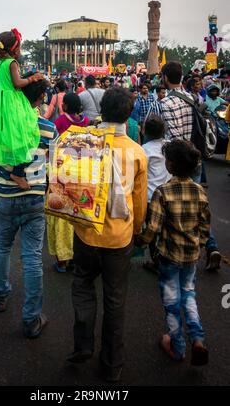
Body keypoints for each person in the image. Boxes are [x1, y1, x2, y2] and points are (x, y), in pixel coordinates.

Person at [67, 87, 148, 383]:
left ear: (102, 109)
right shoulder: (137, 153)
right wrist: (138, 230)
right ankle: (112, 364)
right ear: (129, 114)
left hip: (86, 232)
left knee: (83, 286)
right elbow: (138, 204)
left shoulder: (82, 142)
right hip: (119, 237)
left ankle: (82, 347)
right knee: (115, 300)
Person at [0, 73, 58, 339]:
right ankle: (31, 318)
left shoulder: (4, 124)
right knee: (31, 258)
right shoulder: (49, 128)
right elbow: (54, 164)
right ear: (41, 98)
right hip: (35, 198)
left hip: (6, 196)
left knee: (2, 248)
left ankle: (0, 295)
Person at [135, 140, 210, 366]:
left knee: (171, 301)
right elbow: (205, 226)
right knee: (189, 294)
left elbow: (154, 228)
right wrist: (200, 245)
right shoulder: (199, 192)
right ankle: (197, 339)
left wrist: (140, 242)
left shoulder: (163, 192)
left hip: (168, 256)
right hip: (191, 256)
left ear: (171, 165)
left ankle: (176, 346)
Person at [161, 62, 221, 270]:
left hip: (177, 161)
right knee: (196, 204)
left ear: (165, 78)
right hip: (195, 157)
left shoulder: (167, 103)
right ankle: (210, 246)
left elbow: (174, 137)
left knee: (173, 207)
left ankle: (175, 252)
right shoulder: (193, 97)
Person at [0, 29, 42, 191]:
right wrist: (33, 78)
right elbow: (17, 83)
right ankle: (17, 173)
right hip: (12, 102)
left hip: (1, 102)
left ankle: (6, 166)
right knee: (25, 135)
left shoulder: (0, 64)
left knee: (9, 135)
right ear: (14, 49)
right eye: (20, 47)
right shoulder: (12, 63)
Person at [48, 94, 90, 273]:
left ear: (65, 105)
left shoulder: (59, 122)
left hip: (62, 172)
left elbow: (52, 147)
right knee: (79, 213)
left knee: (59, 217)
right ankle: (76, 257)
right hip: (82, 171)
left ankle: (63, 261)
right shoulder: (86, 121)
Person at [141, 116, 172, 272]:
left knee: (152, 228)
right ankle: (165, 258)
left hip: (151, 196)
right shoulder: (169, 146)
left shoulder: (145, 150)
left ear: (146, 131)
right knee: (166, 228)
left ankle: (156, 261)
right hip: (169, 193)